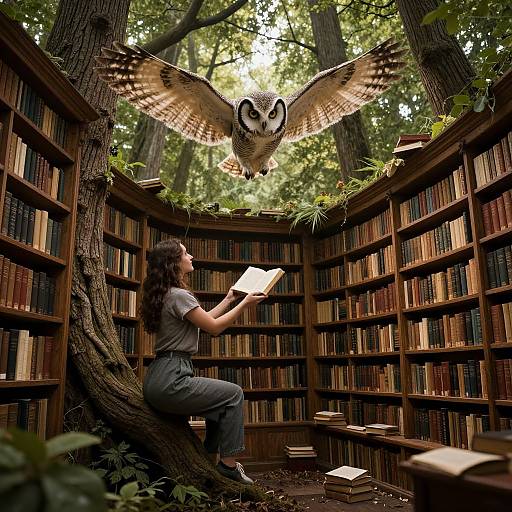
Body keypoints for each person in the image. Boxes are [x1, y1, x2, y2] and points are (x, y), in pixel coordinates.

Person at [140, 238, 267, 485]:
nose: (191, 257)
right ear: (173, 263)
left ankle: (209, 458)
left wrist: (230, 299)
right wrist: (245, 304)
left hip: (159, 376)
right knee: (233, 394)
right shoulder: (179, 295)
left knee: (219, 406)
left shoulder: (168, 295)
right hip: (172, 376)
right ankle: (228, 466)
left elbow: (206, 319)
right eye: (186, 254)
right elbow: (214, 328)